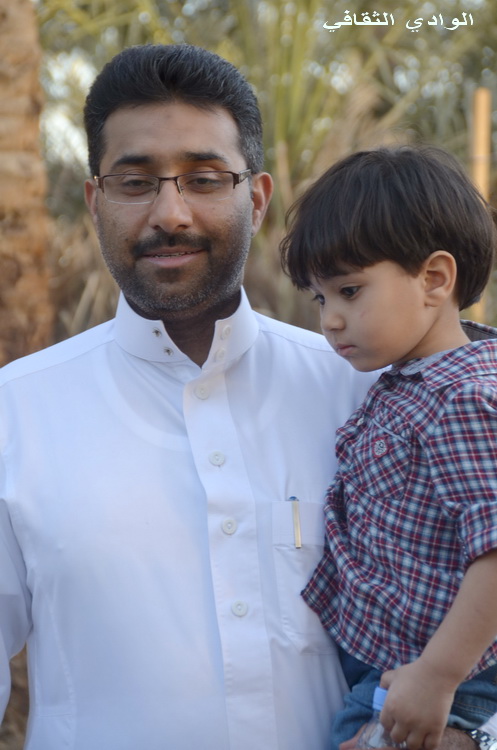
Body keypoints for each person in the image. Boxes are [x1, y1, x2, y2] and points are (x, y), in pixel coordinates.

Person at [0, 43, 380, 750]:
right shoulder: (15, 413)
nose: (170, 213)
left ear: (256, 199)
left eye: (204, 179)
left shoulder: (360, 393)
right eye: (135, 182)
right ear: (95, 201)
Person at [280, 145, 497, 750]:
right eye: (321, 298)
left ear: (435, 279)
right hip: (400, 668)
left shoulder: (463, 399)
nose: (330, 319)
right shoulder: (408, 383)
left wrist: (438, 675)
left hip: (446, 681)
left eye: (350, 291)